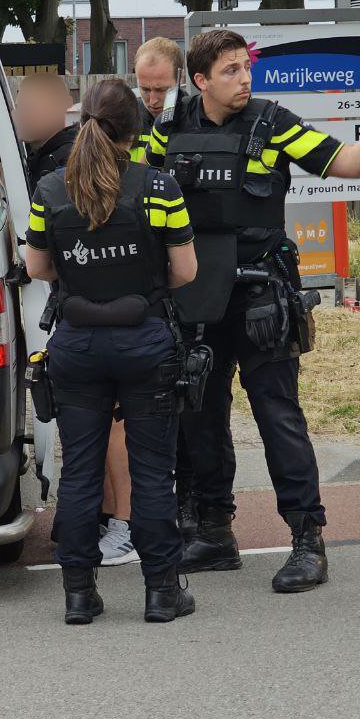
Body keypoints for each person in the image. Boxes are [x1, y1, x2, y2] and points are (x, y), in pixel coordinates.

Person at [144, 28, 360, 592]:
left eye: (245, 67)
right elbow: (138, 195)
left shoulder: (272, 123)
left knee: (277, 417)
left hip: (260, 295)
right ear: (200, 80)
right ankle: (213, 531)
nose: (243, 79)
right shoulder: (169, 131)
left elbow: (350, 163)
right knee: (199, 416)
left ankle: (307, 540)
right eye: (229, 71)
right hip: (193, 299)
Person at [25, 78, 200, 624]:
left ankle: (79, 593)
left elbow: (36, 268)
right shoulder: (159, 187)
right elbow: (185, 271)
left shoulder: (51, 191)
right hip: (145, 341)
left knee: (80, 470)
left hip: (76, 344)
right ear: (135, 130)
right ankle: (161, 592)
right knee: (151, 471)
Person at [131, 37, 199, 544]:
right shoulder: (132, 126)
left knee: (197, 403)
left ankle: (197, 502)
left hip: (191, 271)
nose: (152, 99)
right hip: (147, 281)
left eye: (160, 88)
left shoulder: (191, 122)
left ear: (181, 77)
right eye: (144, 88)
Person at [14, 72, 77, 181]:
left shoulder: (71, 160)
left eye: (32, 107)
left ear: (65, 105)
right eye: (20, 107)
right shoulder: (34, 152)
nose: (22, 115)